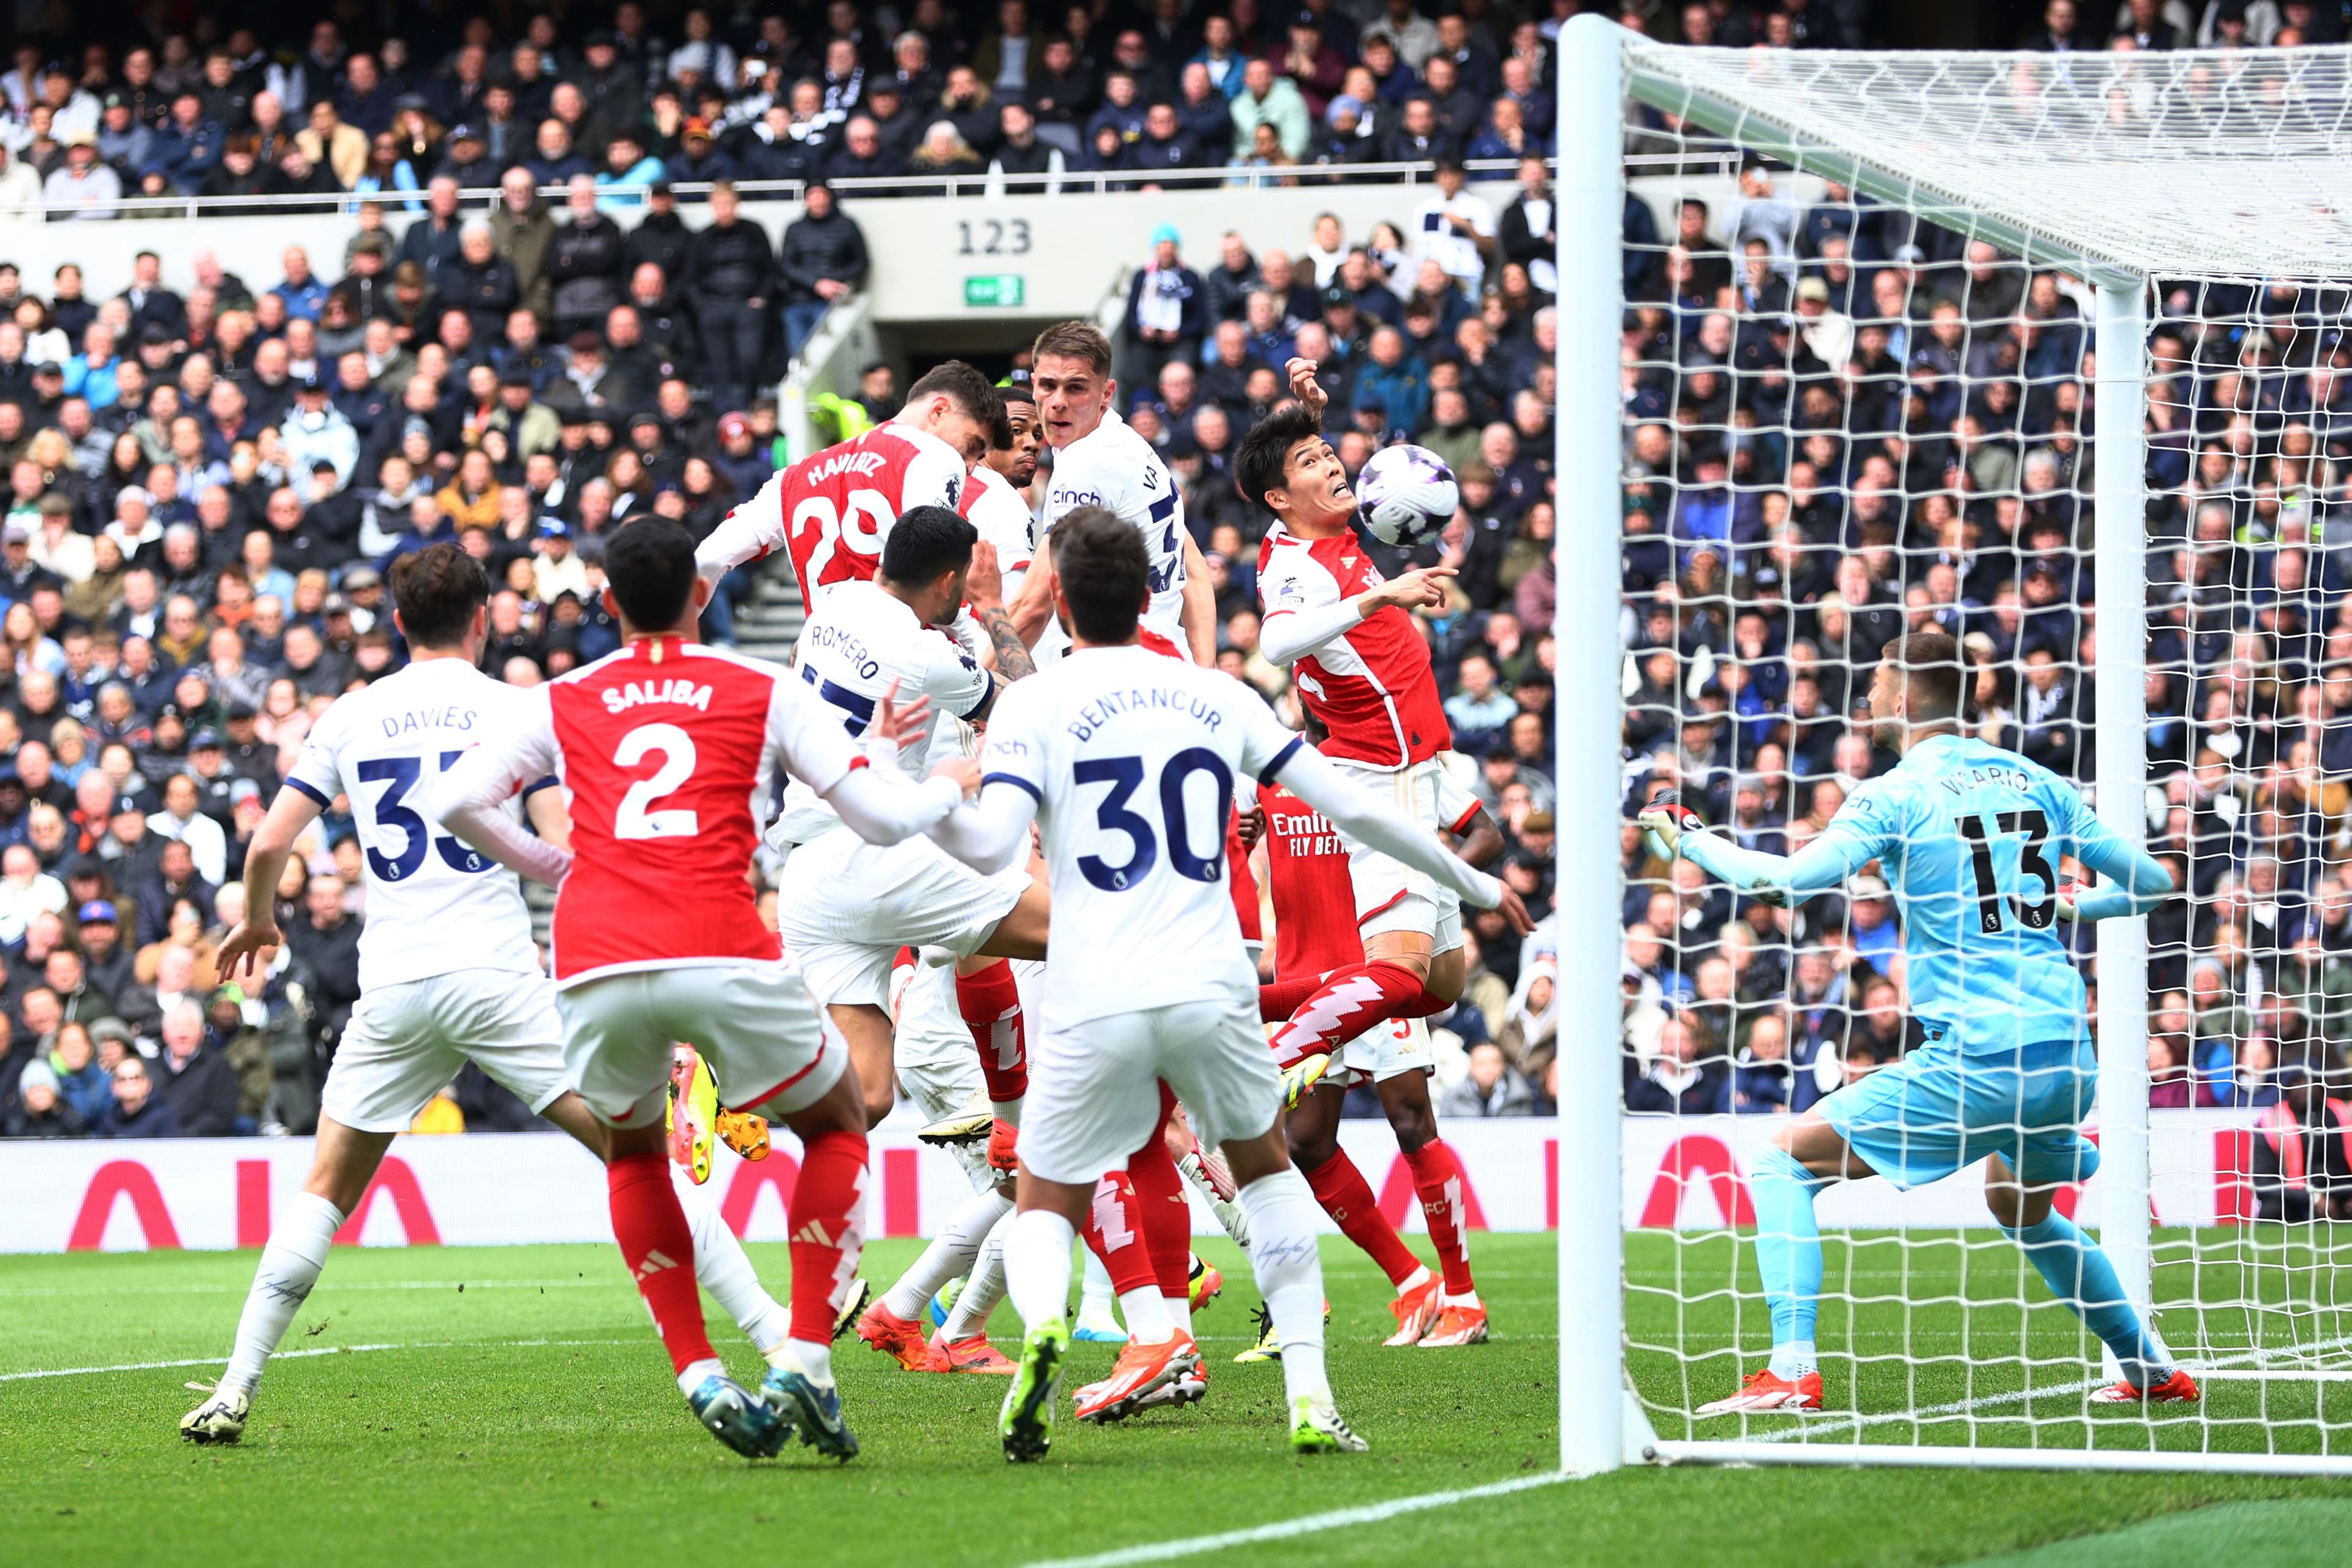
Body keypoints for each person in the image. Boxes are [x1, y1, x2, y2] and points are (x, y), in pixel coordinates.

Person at [924, 505, 1529, 1461]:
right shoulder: (1218, 697)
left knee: (1047, 1194)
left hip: (1095, 986)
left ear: (1069, 606)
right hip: (1211, 980)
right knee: (1266, 1171)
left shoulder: (1034, 705)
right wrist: (1476, 881)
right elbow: (1361, 813)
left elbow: (992, 847)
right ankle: (1313, 1397)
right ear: (1147, 596)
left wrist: (937, 796)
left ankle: (1042, 1325)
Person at [178, 544, 797, 1447]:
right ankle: (772, 1332)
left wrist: (260, 920)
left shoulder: (352, 715)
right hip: (498, 978)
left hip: (393, 984)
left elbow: (271, 843)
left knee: (323, 1192)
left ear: (397, 623)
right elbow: (569, 839)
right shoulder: (517, 709)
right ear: (481, 620)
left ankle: (235, 1387)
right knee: (638, 1160)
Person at [434, 518, 973, 1461]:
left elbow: (457, 804)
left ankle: (697, 1367)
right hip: (719, 942)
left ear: (606, 604)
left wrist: (556, 864)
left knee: (634, 1155)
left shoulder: (560, 697)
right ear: (703, 592)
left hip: (597, 954)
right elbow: (882, 823)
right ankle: (805, 1353)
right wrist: (948, 780)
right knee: (842, 1123)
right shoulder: (759, 686)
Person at [1638, 631, 2195, 1413]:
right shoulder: (2038, 778)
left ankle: (1791, 1368)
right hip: (2068, 1046)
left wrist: (1689, 834)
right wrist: (2074, 905)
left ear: (1902, 699)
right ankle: (2149, 1365)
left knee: (1779, 1163)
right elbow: (2151, 884)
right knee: (2018, 1208)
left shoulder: (1896, 792)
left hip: (1980, 1053)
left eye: (1874, 683)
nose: (1865, 697)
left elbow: (1784, 881)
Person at [1232, 366, 1474, 1082]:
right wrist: (1384, 598)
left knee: (1441, 985)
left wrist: (1304, 415)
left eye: (1329, 453)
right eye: (1313, 461)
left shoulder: (1315, 527)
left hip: (1419, 769)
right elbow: (1276, 642)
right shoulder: (1296, 571)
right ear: (1281, 499)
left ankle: (1245, 1008)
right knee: (1401, 975)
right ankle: (1273, 1060)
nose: (1336, 464)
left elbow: (1297, 469)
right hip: (1383, 776)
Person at [1243, 720, 1502, 1355]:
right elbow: (1241, 853)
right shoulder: (1267, 770)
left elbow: (1487, 835)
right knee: (1306, 1141)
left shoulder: (1392, 768)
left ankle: (1465, 1298)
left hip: (1379, 969)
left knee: (1411, 1121)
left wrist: (1434, 884)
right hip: (1306, 980)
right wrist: (1248, 840)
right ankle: (1414, 1283)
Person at [694, 360, 999, 612]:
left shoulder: (791, 477)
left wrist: (670, 637)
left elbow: (709, 558)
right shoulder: (936, 458)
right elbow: (934, 576)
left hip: (825, 658)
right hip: (903, 663)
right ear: (939, 410)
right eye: (972, 445)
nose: (971, 465)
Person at [1018, 320, 1216, 662]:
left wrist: (977, 687)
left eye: (1076, 388)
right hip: (1168, 658)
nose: (1058, 402)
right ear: (1033, 385)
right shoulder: (1130, 444)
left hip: (1116, 667)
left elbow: (1035, 605)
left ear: (1107, 393)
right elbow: (1195, 570)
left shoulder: (1085, 465)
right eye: (1048, 386)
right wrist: (1205, 674)